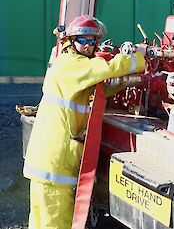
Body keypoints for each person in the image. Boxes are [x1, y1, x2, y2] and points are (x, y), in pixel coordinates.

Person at [23, 15, 146, 229]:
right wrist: (139, 59)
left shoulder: (71, 66)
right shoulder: (72, 64)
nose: (89, 46)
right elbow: (104, 69)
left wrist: (125, 84)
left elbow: (96, 89)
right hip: (55, 166)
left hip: (47, 162)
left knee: (40, 222)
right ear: (71, 41)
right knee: (56, 224)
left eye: (92, 42)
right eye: (83, 41)